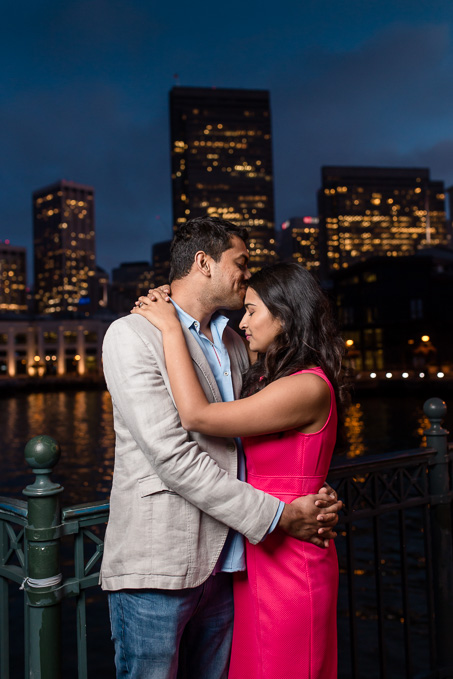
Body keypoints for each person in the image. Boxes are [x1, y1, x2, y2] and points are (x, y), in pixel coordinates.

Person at [101, 216, 341, 679]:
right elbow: (172, 455)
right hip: (161, 566)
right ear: (203, 263)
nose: (247, 273)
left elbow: (253, 436)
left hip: (232, 565)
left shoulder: (235, 341)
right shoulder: (132, 335)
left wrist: (310, 487)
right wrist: (280, 514)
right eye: (240, 262)